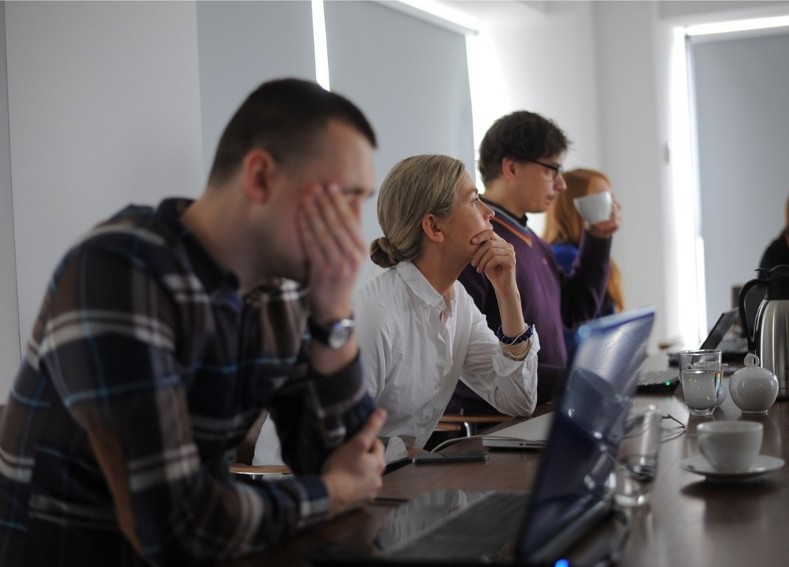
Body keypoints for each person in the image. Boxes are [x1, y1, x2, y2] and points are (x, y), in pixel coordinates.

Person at [0, 78, 388, 566]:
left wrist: (334, 317)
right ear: (261, 177)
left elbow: (350, 466)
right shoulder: (119, 270)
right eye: (343, 199)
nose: (355, 230)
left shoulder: (282, 296)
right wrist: (331, 492)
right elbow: (175, 527)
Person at [353, 155, 539, 463]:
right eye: (474, 200)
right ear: (434, 227)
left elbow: (518, 400)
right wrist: (409, 455)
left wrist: (508, 293)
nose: (489, 213)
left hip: (394, 477)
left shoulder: (457, 301)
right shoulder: (375, 315)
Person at [449, 111, 621, 415]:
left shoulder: (532, 240)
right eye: (551, 170)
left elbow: (574, 310)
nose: (561, 185)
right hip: (502, 423)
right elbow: (472, 360)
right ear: (511, 167)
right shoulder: (477, 242)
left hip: (547, 409)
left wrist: (596, 238)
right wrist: (578, 380)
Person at [542, 168, 625, 349]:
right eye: (603, 198)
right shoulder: (564, 256)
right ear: (576, 206)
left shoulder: (594, 254)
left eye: (611, 196)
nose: (614, 206)